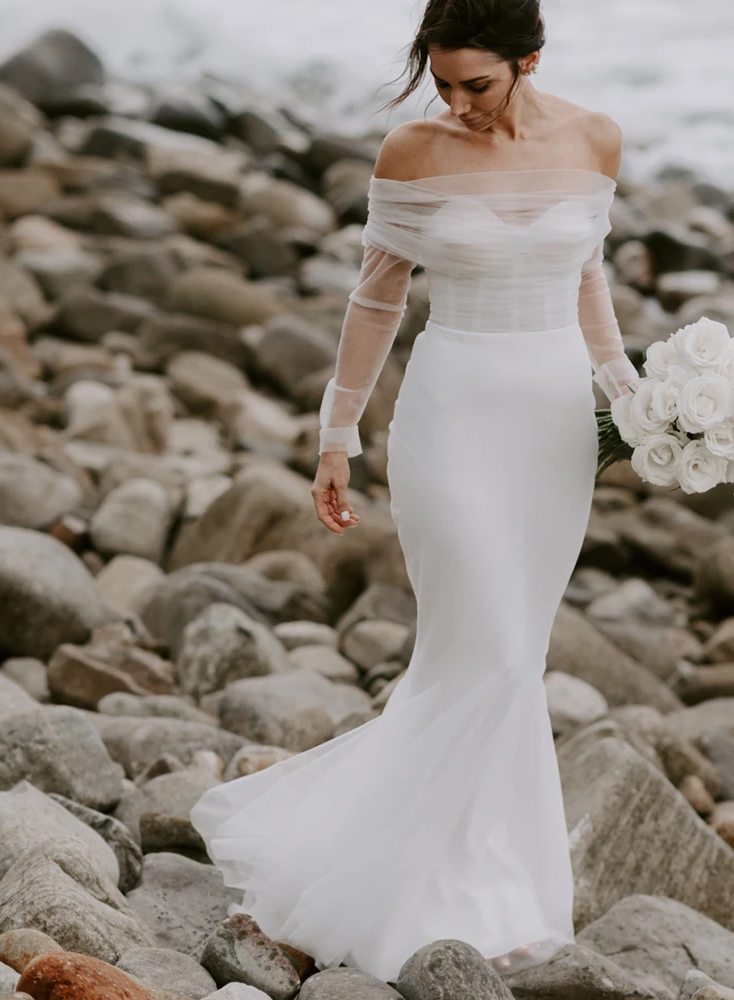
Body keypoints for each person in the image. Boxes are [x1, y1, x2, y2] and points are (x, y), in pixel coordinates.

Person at [189, 0, 640, 985]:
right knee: (483, 643)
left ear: (529, 60)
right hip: (453, 415)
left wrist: (630, 396)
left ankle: (493, 887)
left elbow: (586, 278)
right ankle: (382, 886)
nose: (457, 101)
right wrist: (335, 434)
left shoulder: (597, 137)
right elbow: (378, 292)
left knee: (510, 660)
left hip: (556, 424)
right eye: (441, 82)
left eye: (476, 82)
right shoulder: (411, 152)